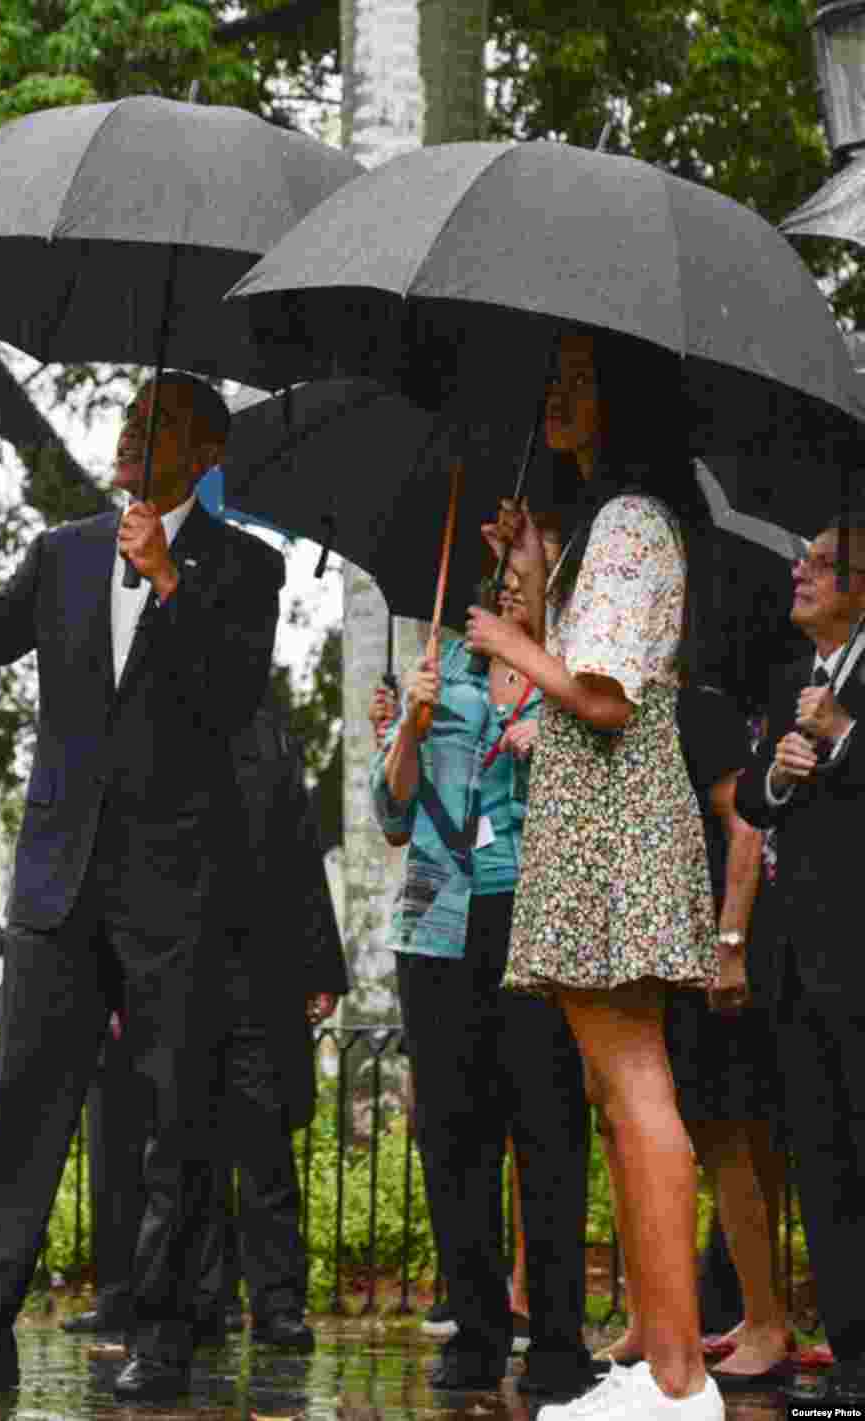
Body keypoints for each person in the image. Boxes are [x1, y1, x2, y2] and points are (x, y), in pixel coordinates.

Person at [0, 372, 284, 1402]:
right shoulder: (64, 550)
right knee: (23, 1110)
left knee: (175, 1115)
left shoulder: (246, 568)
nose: (131, 433)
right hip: (58, 876)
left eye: (157, 423)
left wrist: (172, 582)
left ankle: (164, 1335)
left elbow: (233, 704)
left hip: (175, 883)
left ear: (208, 450)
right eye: (129, 418)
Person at [466, 328, 722, 1420]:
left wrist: (513, 641)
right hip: (597, 818)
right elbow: (575, 662)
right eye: (552, 381)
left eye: (577, 382)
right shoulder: (603, 528)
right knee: (619, 1094)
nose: (554, 398)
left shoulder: (628, 521)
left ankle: (676, 1379)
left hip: (614, 820)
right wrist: (531, 585)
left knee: (634, 1086)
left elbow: (604, 694)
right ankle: (662, 1363)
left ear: (622, 401)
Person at [61, 694, 348, 1350]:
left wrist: (320, 968)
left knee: (266, 1149)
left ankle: (277, 1305)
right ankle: (200, 1300)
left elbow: (301, 851)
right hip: (180, 976)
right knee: (187, 1151)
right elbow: (126, 866)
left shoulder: (269, 729)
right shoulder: (151, 725)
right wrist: (121, 977)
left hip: (261, 975)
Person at [371, 573, 596, 1399]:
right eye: (493, 580)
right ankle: (475, 1328)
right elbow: (391, 814)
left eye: (521, 576)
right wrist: (410, 729)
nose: (505, 589)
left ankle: (560, 1342)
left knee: (548, 1127)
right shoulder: (442, 671)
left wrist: (553, 737)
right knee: (452, 1135)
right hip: (437, 926)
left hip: (533, 915)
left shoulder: (570, 674)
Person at [595, 685, 789, 1389]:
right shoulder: (610, 716)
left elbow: (744, 826)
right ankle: (673, 1314)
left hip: (703, 949)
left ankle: (767, 1318)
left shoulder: (696, 710)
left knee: (726, 1134)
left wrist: (729, 939)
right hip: (651, 955)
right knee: (662, 1131)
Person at [734, 512, 865, 1413]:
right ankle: (853, 1357)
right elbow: (750, 796)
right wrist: (780, 772)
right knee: (821, 1158)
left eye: (823, 563)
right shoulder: (789, 677)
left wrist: (847, 731)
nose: (801, 572)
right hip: (801, 960)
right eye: (803, 558)